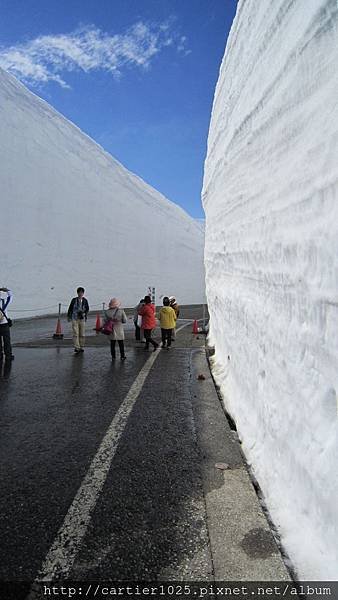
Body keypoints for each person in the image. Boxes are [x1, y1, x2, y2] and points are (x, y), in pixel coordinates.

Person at [67, 287, 89, 353]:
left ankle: (81, 346)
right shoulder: (74, 300)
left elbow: (87, 309)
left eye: (82, 292)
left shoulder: (85, 300)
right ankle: (77, 347)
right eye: (79, 292)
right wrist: (69, 316)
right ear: (77, 293)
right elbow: (70, 308)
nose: (80, 294)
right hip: (74, 318)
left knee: (82, 333)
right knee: (75, 333)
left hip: (82, 318)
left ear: (83, 293)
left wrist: (84, 313)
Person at [0, 287, 14, 361]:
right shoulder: (4, 301)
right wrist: (7, 290)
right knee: (7, 341)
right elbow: (10, 296)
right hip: (4, 324)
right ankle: (8, 356)